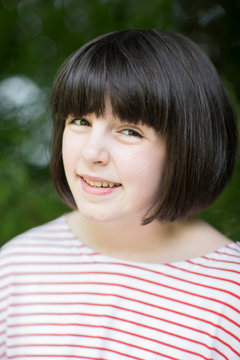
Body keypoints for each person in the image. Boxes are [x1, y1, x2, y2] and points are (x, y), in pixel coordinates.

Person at [0, 29, 239, 359]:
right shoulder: (18, 267)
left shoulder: (230, 296)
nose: (92, 152)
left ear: (188, 148)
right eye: (80, 121)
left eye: (130, 131)